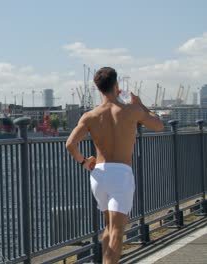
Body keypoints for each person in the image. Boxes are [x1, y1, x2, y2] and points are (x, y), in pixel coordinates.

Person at [65, 67, 164, 264]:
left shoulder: (90, 116)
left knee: (109, 228)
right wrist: (142, 105)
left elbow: (70, 144)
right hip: (121, 175)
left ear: (98, 88)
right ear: (117, 86)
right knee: (118, 232)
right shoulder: (131, 111)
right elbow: (159, 125)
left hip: (99, 175)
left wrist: (84, 161)